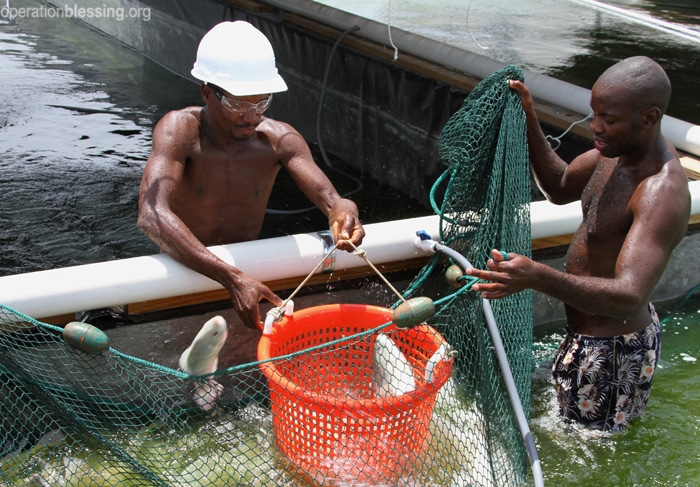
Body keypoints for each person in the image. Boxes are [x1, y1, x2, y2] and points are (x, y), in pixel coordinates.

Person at [466, 56, 690, 431]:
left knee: (596, 457)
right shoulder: (615, 152)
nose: (595, 128)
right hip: (584, 336)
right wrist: (529, 118)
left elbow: (630, 295)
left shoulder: (659, 191)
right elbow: (559, 186)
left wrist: (538, 276)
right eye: (594, 114)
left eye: (609, 119)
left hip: (613, 354)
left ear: (649, 117)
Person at [137, 21, 365, 330]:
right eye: (237, 104)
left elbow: (334, 202)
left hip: (245, 271)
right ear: (207, 93)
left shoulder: (279, 140)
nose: (251, 116)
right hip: (184, 273)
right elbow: (151, 215)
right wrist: (232, 278)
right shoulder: (180, 130)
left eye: (262, 103)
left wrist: (344, 214)